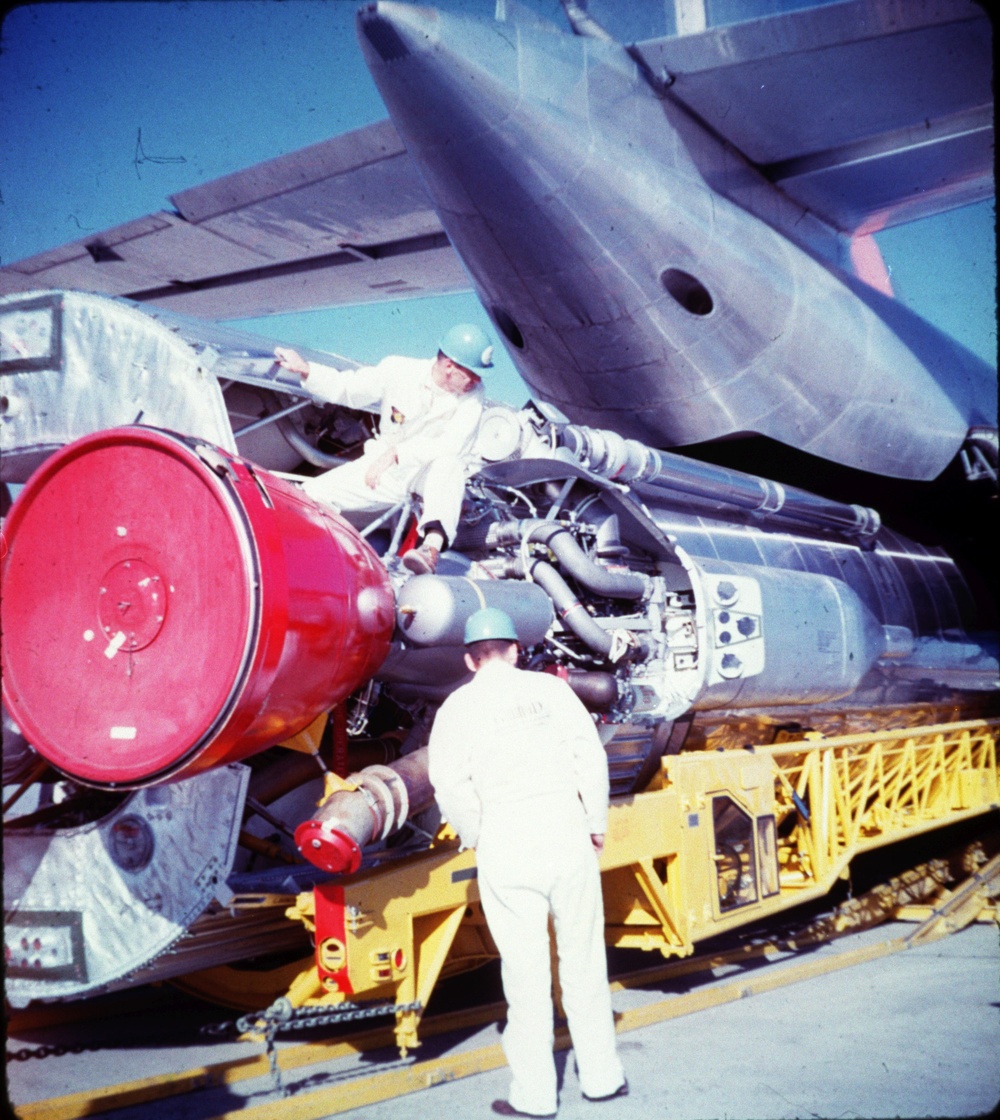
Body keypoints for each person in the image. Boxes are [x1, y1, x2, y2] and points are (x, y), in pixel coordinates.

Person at [427, 608, 627, 1118]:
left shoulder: (457, 707)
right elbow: (590, 756)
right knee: (584, 961)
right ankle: (603, 1079)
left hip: (507, 843)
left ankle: (535, 1097)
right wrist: (595, 820)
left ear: (471, 658)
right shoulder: (553, 692)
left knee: (525, 972)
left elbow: (449, 784)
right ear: (516, 650)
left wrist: (477, 834)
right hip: (566, 834)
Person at [274, 324, 493, 574]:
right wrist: (306, 370)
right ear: (449, 366)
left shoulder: (474, 394)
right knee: (310, 494)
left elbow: (453, 445)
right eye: (472, 374)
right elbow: (349, 389)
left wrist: (398, 453)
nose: (476, 381)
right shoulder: (398, 369)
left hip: (428, 474)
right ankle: (316, 557)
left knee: (450, 465)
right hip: (383, 470)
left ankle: (430, 548)